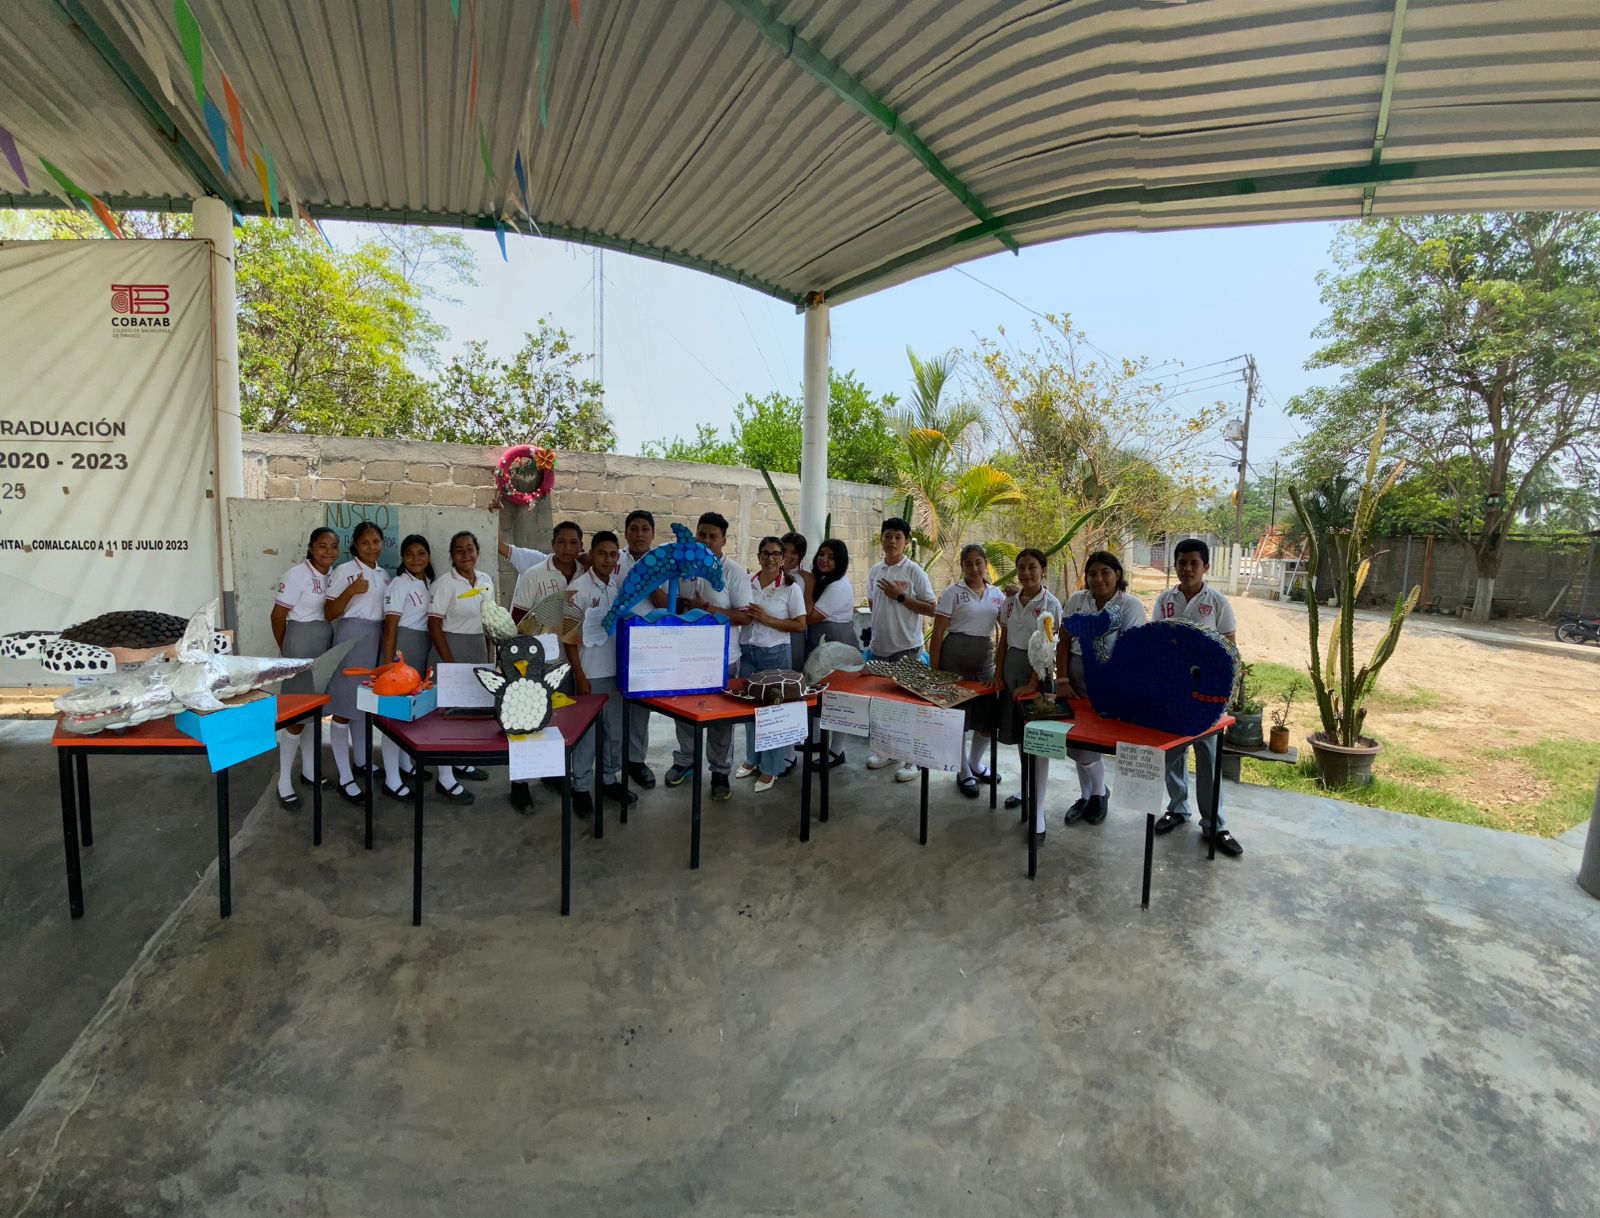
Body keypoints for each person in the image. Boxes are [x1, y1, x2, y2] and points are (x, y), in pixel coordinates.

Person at [1152, 538, 1243, 856]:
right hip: (1174, 695)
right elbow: (1157, 643)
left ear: (1205, 567)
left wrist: (1224, 692)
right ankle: (1177, 809)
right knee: (1171, 756)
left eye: (1194, 563)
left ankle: (1215, 825)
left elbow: (1230, 648)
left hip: (1207, 697)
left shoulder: (1217, 602)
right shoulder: (1165, 600)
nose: (1187, 568)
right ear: (1174, 566)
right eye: (1181, 562)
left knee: (1209, 758)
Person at [664, 512, 752, 801]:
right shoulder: (683, 568)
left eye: (712, 536)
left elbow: (745, 617)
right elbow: (670, 603)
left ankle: (720, 771)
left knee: (721, 718)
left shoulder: (734, 573)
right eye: (701, 534)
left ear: (723, 541)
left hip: (724, 659)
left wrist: (709, 610)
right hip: (684, 656)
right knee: (684, 712)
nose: (705, 540)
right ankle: (686, 761)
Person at [1059, 550, 1148, 826]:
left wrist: (1117, 688)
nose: (1098, 579)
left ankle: (1097, 794)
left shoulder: (1130, 606)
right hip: (1074, 679)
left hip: (1109, 682)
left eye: (1105, 573)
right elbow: (1062, 641)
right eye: (1093, 573)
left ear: (1117, 574)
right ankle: (1088, 794)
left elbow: (1130, 651)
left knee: (1093, 740)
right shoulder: (1077, 600)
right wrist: (1061, 679)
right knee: (1075, 740)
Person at [564, 531, 635, 819]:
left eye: (613, 554)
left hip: (614, 672)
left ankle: (607, 779)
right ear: (592, 554)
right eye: (603, 553)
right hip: (589, 674)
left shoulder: (615, 588)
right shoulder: (578, 588)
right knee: (587, 736)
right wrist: (580, 675)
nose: (608, 559)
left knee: (614, 731)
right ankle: (580, 787)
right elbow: (568, 637)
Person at [997, 548, 1066, 846]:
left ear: (1043, 570)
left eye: (1032, 567)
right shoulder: (1010, 603)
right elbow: (1002, 639)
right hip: (1012, 666)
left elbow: (1048, 649)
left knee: (1037, 741)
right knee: (1018, 737)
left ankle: (1038, 811)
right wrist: (999, 673)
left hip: (1037, 673)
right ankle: (1026, 790)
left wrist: (1033, 681)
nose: (1026, 573)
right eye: (1021, 567)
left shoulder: (1051, 604)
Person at [269, 526, 338, 811]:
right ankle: (283, 780)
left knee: (312, 711)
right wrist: (287, 653)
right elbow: (277, 616)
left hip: (322, 642)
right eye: (322, 546)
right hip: (299, 643)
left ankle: (309, 770)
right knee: (295, 716)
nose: (328, 552)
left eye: (333, 547)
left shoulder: (333, 576)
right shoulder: (297, 574)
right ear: (310, 548)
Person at [929, 543, 1005, 798]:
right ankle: (963, 771)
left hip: (984, 659)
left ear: (985, 565)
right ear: (962, 566)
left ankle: (975, 763)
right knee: (958, 717)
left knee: (986, 718)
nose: (974, 568)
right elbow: (938, 632)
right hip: (955, 657)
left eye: (978, 563)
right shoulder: (953, 592)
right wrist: (935, 668)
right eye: (968, 563)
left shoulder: (997, 595)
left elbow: (1006, 628)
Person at [865, 517, 936, 782]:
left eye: (898, 536)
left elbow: (931, 608)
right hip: (880, 649)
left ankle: (912, 761)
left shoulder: (914, 571)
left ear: (906, 542)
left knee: (909, 706)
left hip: (908, 649)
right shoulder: (874, 571)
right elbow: (873, 606)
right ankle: (888, 752)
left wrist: (901, 597)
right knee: (884, 707)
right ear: (882, 539)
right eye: (888, 536)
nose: (892, 541)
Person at [324, 522, 390, 804]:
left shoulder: (384, 574)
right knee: (343, 707)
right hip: (351, 638)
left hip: (375, 638)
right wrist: (350, 591)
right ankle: (345, 777)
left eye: (376, 541)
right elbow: (329, 612)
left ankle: (362, 760)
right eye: (365, 542)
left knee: (364, 703)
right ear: (355, 545)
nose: (371, 547)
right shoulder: (344, 571)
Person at [426, 531, 494, 804]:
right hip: (450, 649)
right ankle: (445, 777)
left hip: (476, 648)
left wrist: (489, 656)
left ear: (478, 551)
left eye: (470, 549)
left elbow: (489, 618)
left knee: (468, 712)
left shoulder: (486, 580)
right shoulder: (445, 584)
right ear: (452, 556)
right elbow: (434, 625)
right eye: (459, 551)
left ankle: (460, 761)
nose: (466, 555)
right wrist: (449, 662)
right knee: (446, 713)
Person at [734, 536, 807, 792]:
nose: (770, 558)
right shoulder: (748, 582)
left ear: (783, 558)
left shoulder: (790, 587)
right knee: (750, 710)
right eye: (765, 553)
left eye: (776, 554)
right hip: (748, 653)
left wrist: (766, 619)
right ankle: (753, 759)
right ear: (758, 556)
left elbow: (800, 624)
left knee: (773, 714)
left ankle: (771, 768)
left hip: (775, 655)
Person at [374, 533, 436, 799]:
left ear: (428, 556)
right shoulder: (399, 584)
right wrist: (389, 666)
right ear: (402, 558)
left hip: (422, 647)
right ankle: (391, 779)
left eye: (421, 553)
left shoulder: (430, 582)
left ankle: (404, 764)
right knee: (394, 715)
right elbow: (390, 629)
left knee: (410, 711)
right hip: (403, 648)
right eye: (409, 554)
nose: (416, 559)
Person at [618, 509, 666, 788]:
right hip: (612, 643)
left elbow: (665, 605)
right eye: (634, 528)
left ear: (652, 533)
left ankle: (636, 761)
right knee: (611, 706)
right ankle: (608, 763)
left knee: (639, 708)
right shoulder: (614, 559)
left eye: (644, 529)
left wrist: (647, 580)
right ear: (626, 532)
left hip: (647, 647)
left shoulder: (662, 562)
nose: (639, 534)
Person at [804, 539, 857, 768]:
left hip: (838, 643)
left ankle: (837, 750)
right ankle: (818, 742)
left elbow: (811, 616)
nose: (824, 560)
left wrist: (808, 584)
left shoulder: (837, 585)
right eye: (822, 554)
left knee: (838, 698)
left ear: (841, 561)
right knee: (822, 695)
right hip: (825, 642)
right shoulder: (826, 580)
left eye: (831, 557)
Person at [511, 521, 582, 624]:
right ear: (553, 544)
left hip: (577, 639)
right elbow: (518, 621)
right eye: (562, 542)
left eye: (573, 542)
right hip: (539, 640)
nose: (567, 548)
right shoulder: (533, 575)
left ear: (581, 545)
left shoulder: (585, 572)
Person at [781, 531, 811, 674]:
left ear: (801, 556)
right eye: (785, 551)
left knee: (792, 671)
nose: (788, 555)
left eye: (794, 552)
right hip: (773, 631)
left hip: (794, 631)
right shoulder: (773, 573)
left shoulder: (802, 578)